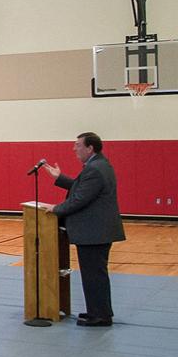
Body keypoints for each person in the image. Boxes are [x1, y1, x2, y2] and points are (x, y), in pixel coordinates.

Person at [43, 132, 125, 327]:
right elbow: (81, 189)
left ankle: (101, 315)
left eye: (78, 145)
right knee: (94, 274)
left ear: (90, 148)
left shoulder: (95, 169)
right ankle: (97, 311)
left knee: (94, 275)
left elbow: (80, 199)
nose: (74, 149)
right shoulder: (98, 166)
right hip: (96, 231)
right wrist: (59, 177)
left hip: (94, 232)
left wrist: (56, 209)